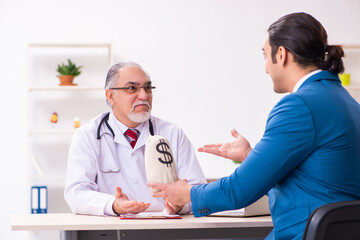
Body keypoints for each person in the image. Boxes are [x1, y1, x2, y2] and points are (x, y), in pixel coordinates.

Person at [148, 12, 360, 240]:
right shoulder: (346, 101)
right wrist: (250, 156)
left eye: (264, 55)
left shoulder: (299, 105)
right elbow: (313, 179)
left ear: (281, 54)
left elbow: (239, 190)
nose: (266, 68)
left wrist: (188, 194)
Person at [64, 62, 206, 216]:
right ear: (111, 96)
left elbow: (198, 191)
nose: (144, 96)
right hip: (112, 230)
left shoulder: (172, 133)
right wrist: (113, 204)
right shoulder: (88, 136)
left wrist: (179, 205)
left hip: (164, 228)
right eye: (132, 88)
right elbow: (76, 194)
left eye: (147, 88)